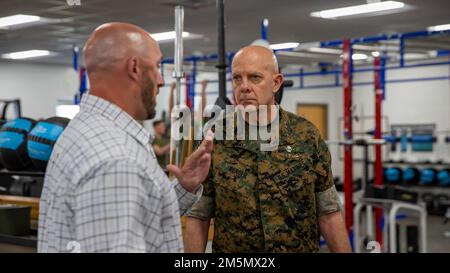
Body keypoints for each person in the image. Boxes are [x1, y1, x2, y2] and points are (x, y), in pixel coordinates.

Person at [38, 22, 213, 253]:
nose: (161, 81)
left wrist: (183, 187)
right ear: (135, 68)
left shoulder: (84, 129)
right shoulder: (117, 160)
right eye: (157, 67)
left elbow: (141, 214)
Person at [185, 45, 351, 253]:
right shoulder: (213, 138)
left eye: (254, 78)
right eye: (237, 78)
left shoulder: (306, 136)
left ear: (276, 83)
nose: (244, 87)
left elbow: (328, 212)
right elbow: (199, 215)